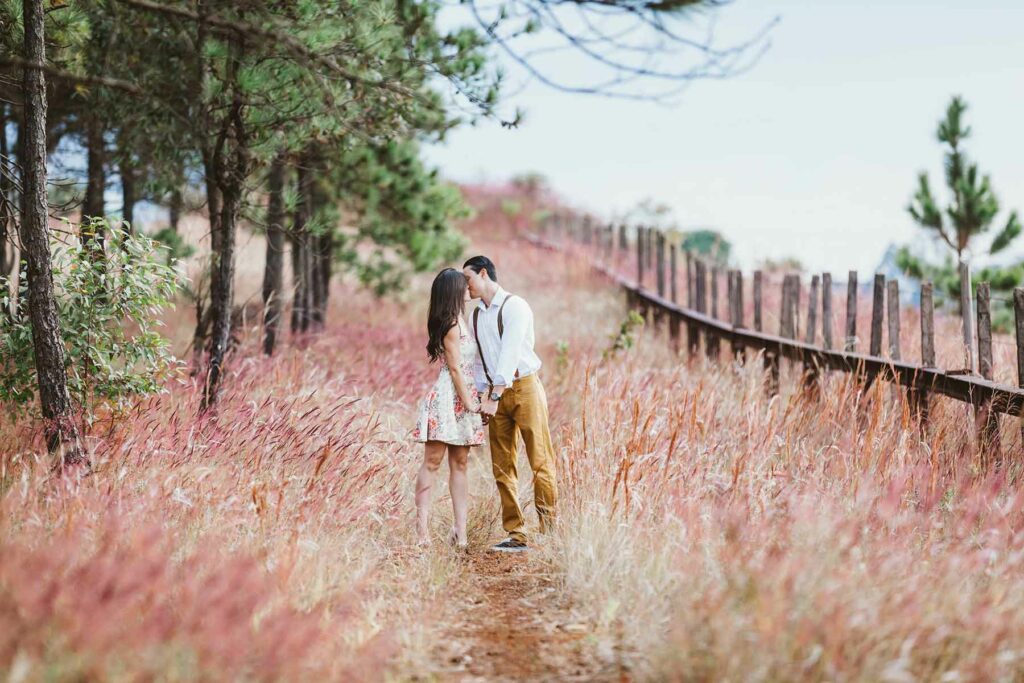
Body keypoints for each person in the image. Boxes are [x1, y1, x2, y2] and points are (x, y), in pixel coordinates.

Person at [463, 255, 557, 553]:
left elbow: (510, 353)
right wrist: (482, 396)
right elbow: (478, 360)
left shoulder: (515, 306)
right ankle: (517, 534)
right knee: (502, 465)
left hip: (524, 388)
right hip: (494, 395)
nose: (465, 287)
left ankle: (549, 531)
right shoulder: (476, 315)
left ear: (483, 273)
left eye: (468, 279)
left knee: (540, 460)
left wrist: (494, 395)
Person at [412, 268, 486, 548]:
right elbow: (454, 367)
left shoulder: (462, 320)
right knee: (432, 462)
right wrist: (469, 403)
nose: (468, 288)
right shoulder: (451, 324)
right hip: (449, 397)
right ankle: (422, 534)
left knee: (461, 464)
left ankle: (460, 532)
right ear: (453, 291)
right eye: (463, 285)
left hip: (463, 394)